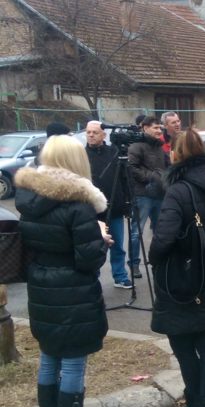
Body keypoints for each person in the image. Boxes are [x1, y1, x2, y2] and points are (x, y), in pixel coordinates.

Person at [15, 135, 111, 407]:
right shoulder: (78, 205)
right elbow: (88, 259)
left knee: (48, 358)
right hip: (74, 291)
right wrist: (101, 238)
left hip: (42, 289)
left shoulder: (28, 200)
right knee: (71, 364)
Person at [148, 130, 205, 407]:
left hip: (182, 278)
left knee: (183, 345)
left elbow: (164, 238)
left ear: (178, 154)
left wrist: (154, 259)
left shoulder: (179, 190)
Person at [84, 120, 133, 289]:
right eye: (88, 132)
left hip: (115, 207)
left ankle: (120, 275)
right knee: (93, 246)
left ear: (104, 135)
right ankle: (93, 278)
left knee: (117, 244)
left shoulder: (114, 152)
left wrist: (128, 202)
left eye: (95, 132)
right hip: (91, 210)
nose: (91, 135)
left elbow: (124, 178)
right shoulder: (81, 155)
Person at [128, 116, 169, 279]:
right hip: (143, 195)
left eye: (160, 128)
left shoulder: (160, 147)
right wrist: (152, 177)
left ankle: (157, 259)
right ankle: (134, 264)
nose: (159, 130)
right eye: (155, 128)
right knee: (136, 232)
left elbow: (166, 167)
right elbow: (131, 167)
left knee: (161, 230)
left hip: (160, 194)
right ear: (144, 128)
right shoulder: (136, 146)